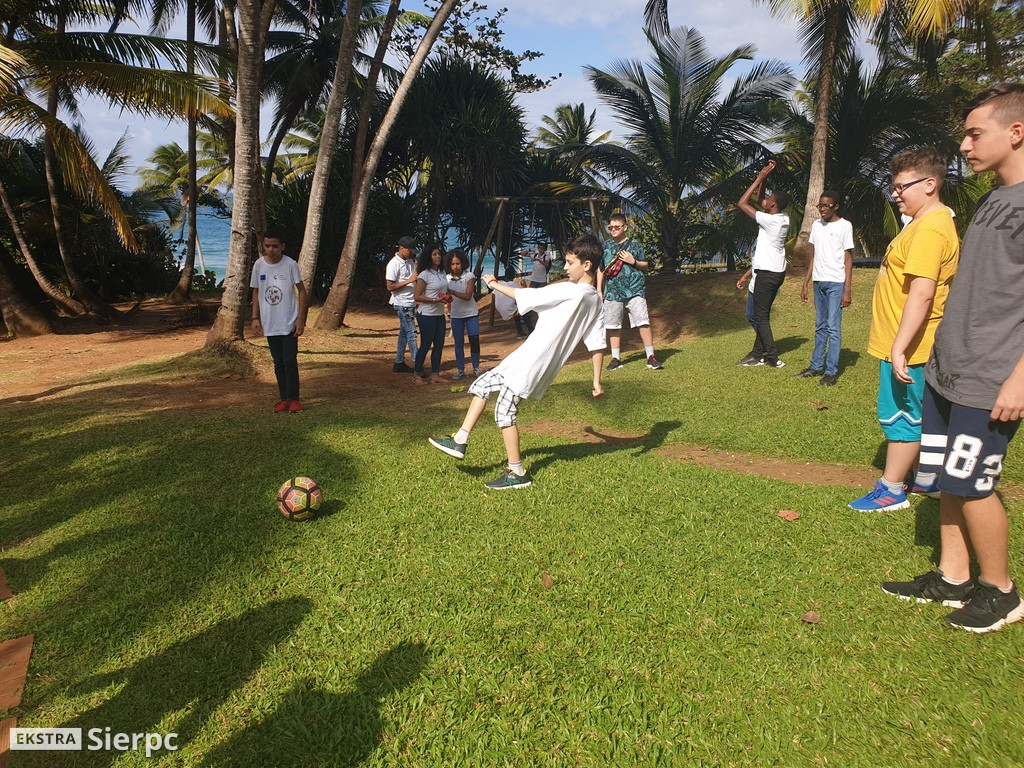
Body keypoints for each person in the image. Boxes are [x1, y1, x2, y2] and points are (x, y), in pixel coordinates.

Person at [882, 83, 1024, 632]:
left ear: (1015, 133)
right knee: (942, 476)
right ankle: (953, 576)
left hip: (992, 375)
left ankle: (1002, 591)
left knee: (971, 483)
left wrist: (1018, 380)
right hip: (950, 367)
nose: (964, 146)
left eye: (974, 133)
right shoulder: (993, 199)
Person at [427, 234, 606, 490]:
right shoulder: (595, 302)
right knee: (483, 384)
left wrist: (494, 283)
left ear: (586, 265)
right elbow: (597, 343)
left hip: (532, 362)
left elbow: (527, 297)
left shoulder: (570, 289)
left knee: (504, 411)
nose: (565, 267)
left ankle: (517, 472)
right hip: (529, 358)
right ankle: (460, 439)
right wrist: (597, 381)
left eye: (569, 262)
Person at [848, 147, 960, 512]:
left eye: (901, 186)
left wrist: (899, 347)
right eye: (893, 187)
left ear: (930, 184)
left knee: (902, 417)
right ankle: (928, 480)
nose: (895, 193)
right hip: (906, 343)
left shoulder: (929, 230)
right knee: (915, 415)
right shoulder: (926, 223)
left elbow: (923, 294)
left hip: (910, 346)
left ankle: (891, 489)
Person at [796, 191, 855, 386]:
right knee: (820, 326)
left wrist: (847, 289)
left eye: (826, 206)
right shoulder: (816, 225)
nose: (822, 209)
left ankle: (831, 372)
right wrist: (806, 282)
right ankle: (815, 366)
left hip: (836, 283)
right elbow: (815, 255)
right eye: (819, 206)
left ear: (836, 206)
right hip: (818, 282)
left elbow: (848, 258)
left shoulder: (845, 226)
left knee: (833, 328)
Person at [736, 160, 790, 368]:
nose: (766, 200)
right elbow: (760, 200)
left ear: (773, 205)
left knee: (759, 316)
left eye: (770, 199)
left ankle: (772, 357)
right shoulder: (782, 217)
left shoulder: (771, 221)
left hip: (767, 274)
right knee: (761, 315)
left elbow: (743, 203)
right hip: (775, 271)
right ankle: (757, 354)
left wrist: (758, 179)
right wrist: (764, 179)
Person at [249, 230, 308, 413]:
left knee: (290, 360)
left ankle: (294, 399)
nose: (271, 250)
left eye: (275, 246)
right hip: (270, 323)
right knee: (278, 362)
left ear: (282, 246)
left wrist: (300, 319)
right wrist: (255, 318)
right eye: (267, 246)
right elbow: (256, 291)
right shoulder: (259, 265)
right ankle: (283, 398)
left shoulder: (290, 264)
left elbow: (302, 291)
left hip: (289, 322)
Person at [598, 214, 663, 370]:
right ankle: (615, 359)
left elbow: (646, 265)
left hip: (635, 289)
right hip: (612, 292)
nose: (613, 229)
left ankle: (651, 356)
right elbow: (601, 269)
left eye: (616, 227)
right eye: (610, 227)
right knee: (613, 325)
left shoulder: (635, 245)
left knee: (643, 321)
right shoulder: (605, 246)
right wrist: (599, 290)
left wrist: (632, 261)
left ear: (625, 228)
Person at [412, 244, 450, 384]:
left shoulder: (441, 273)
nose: (438, 256)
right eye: (434, 254)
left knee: (439, 344)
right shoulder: (424, 275)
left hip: (439, 314)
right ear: (429, 257)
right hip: (426, 314)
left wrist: (446, 297)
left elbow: (443, 289)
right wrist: (434, 300)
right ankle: (417, 375)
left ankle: (435, 374)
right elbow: (417, 296)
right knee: (426, 344)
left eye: (439, 254)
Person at [446, 249, 481, 379]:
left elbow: (468, 295)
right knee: (458, 343)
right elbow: (447, 299)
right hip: (456, 315)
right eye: (453, 264)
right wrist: (448, 312)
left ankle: (476, 367)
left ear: (463, 263)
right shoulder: (447, 278)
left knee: (474, 340)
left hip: (471, 313)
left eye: (458, 263)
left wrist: (452, 292)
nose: (456, 267)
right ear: (449, 265)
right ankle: (460, 369)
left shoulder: (469, 276)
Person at [385, 235, 418, 373]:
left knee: (404, 334)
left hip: (410, 302)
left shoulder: (410, 261)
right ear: (402, 248)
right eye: (409, 250)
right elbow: (390, 287)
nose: (411, 253)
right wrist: (409, 281)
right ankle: (418, 363)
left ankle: (399, 362)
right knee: (412, 333)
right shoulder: (393, 264)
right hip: (402, 303)